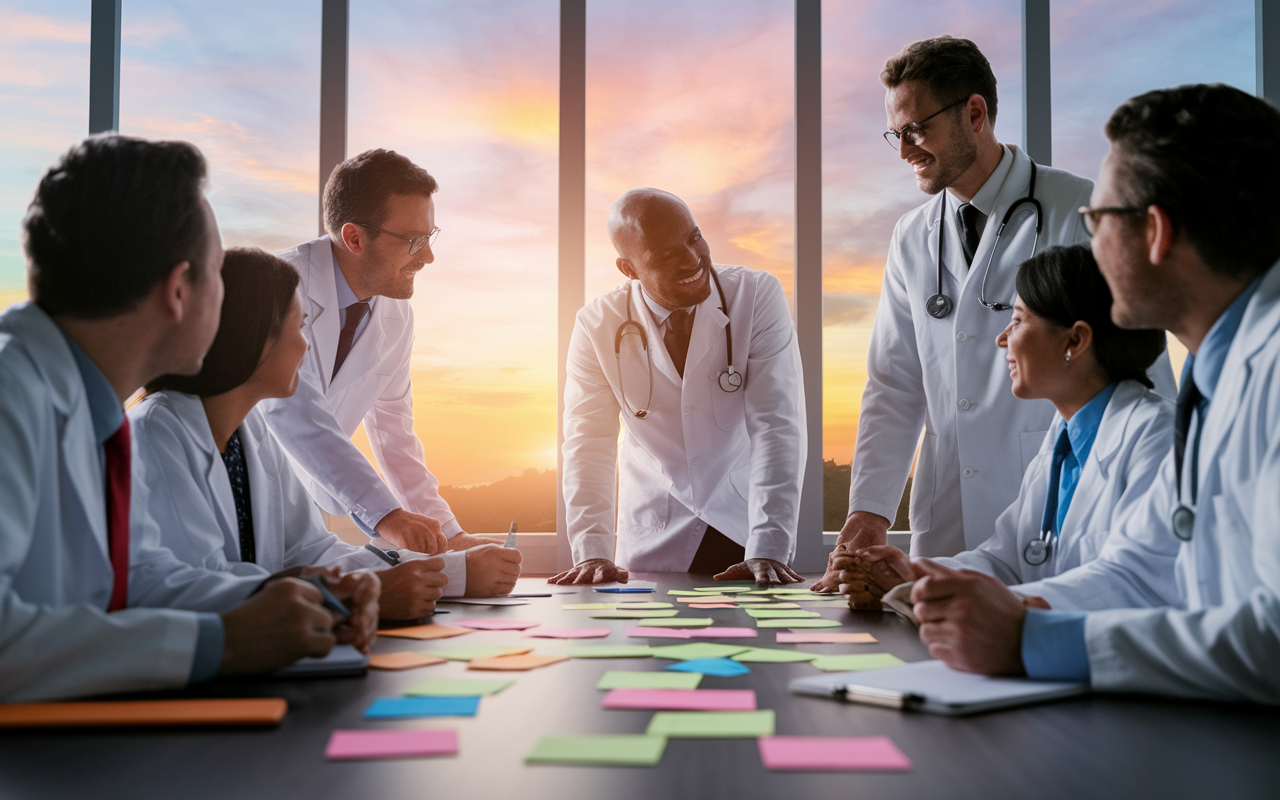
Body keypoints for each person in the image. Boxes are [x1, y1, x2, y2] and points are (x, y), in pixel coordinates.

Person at [907, 83, 1280, 703]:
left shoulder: (1266, 370)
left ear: (1156, 232)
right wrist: (988, 606)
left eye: (1096, 221)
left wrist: (1035, 640)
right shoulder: (1215, 376)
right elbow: (1140, 570)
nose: (1088, 246)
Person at [0, 135, 378, 702]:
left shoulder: (91, 410)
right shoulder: (14, 396)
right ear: (179, 290)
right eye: (218, 277)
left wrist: (291, 594)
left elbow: (143, 577)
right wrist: (217, 643)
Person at [815, 36, 1174, 591]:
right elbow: (894, 383)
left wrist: (1163, 477)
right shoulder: (912, 235)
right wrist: (869, 510)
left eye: (917, 129)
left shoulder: (1078, 210)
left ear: (975, 113)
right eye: (896, 134)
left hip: (1049, 490)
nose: (905, 149)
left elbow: (1141, 361)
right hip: (949, 511)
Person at [130, 247, 483, 620]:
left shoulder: (253, 435)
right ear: (255, 338)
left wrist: (455, 571)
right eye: (300, 327)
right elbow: (200, 586)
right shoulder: (156, 433)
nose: (307, 345)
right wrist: (360, 597)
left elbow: (312, 553)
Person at [837, 244, 1171, 606]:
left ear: (1074, 340)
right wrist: (911, 575)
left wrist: (985, 606)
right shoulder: (1061, 444)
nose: (1001, 339)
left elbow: (1135, 584)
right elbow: (1006, 561)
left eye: (1017, 320)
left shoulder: (1161, 442)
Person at [260, 149, 519, 597]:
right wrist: (386, 516)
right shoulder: (278, 286)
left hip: (299, 512)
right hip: (251, 492)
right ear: (355, 238)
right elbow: (296, 415)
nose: (430, 257)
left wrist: (448, 534)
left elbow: (395, 435)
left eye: (430, 235)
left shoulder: (396, 313)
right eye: (414, 240)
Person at [550, 188, 806, 587]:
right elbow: (588, 441)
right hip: (652, 532)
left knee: (751, 645)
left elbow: (777, 423)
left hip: (744, 528)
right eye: (666, 255)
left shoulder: (755, 295)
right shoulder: (596, 324)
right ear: (629, 269)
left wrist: (770, 542)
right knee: (649, 648)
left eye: (695, 238)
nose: (692, 259)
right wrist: (592, 549)